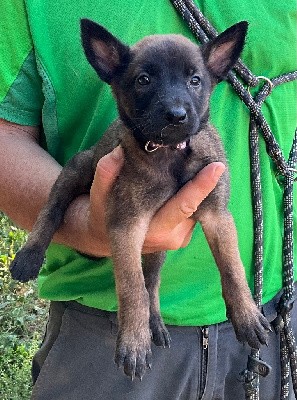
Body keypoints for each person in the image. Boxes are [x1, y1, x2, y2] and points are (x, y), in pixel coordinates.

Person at [0, 0, 296, 399]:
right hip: (95, 323)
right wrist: (89, 235)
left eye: (193, 81)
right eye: (144, 81)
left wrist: (240, 299)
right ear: (113, 71)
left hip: (276, 307)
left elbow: (218, 221)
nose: (175, 106)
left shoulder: (207, 153)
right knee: (77, 176)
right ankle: (40, 239)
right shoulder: (130, 152)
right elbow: (126, 232)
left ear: (214, 74)